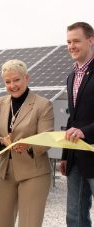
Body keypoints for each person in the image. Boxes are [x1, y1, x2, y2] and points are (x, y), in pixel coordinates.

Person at [0, 59, 54, 227]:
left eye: (16, 80)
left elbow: (47, 138)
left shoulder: (43, 104)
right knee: (1, 223)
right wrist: (2, 142)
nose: (12, 85)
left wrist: (28, 145)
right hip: (5, 173)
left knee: (29, 224)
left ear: (27, 78)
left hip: (34, 172)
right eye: (7, 82)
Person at [61, 22, 94, 227]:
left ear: (91, 40)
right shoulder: (72, 76)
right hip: (76, 157)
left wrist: (85, 131)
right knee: (75, 216)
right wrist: (66, 155)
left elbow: (81, 126)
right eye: (68, 42)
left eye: (76, 41)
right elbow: (72, 119)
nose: (71, 46)